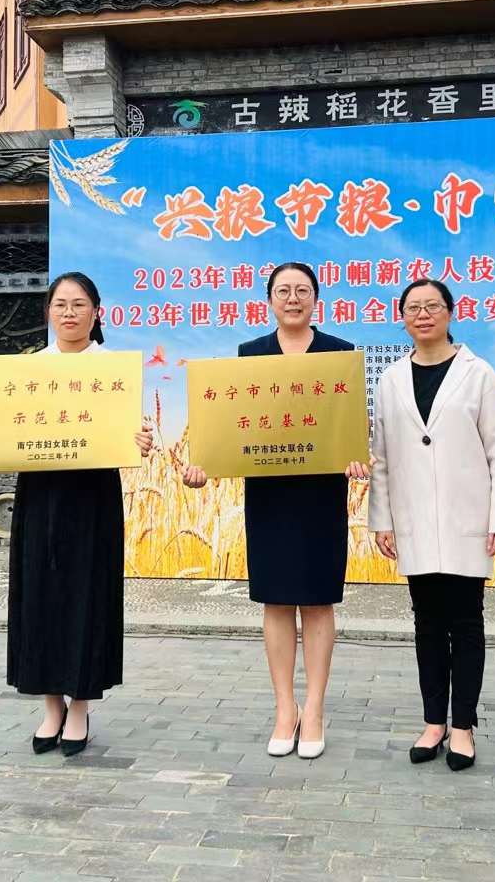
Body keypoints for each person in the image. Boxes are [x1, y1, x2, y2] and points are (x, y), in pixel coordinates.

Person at [0, 272, 153, 755]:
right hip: (40, 492)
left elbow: (130, 433)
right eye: (60, 304)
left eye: (79, 304)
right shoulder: (28, 372)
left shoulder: (113, 371)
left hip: (92, 494)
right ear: (48, 312)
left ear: (96, 312)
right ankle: (50, 705)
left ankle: (80, 705)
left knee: (88, 593)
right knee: (40, 593)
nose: (69, 312)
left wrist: (140, 439)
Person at [181, 262, 368, 760]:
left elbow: (350, 426)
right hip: (269, 493)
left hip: (321, 494)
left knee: (319, 601)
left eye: (302, 290)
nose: (293, 298)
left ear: (316, 299)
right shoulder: (251, 355)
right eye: (283, 291)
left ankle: (316, 708)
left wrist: (355, 456)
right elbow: (231, 427)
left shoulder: (339, 353)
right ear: (269, 300)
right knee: (277, 601)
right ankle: (286, 708)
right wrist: (205, 466)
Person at [368, 279, 495, 772]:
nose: (423, 314)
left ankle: (464, 727)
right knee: (427, 622)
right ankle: (434, 722)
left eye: (433, 305)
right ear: (402, 318)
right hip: (412, 518)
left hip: (467, 517)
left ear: (450, 313)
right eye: (414, 307)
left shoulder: (479, 374)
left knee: (466, 622)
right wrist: (382, 520)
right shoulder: (391, 379)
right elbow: (381, 457)